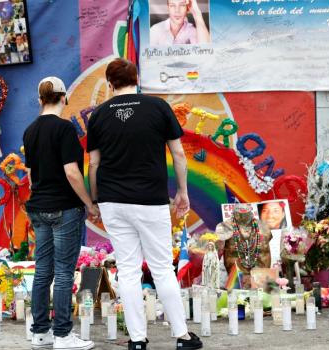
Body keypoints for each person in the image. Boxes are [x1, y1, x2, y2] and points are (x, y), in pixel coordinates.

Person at [87, 58, 202, 350]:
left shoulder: (98, 116)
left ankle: (137, 341)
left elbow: (94, 164)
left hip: (113, 201)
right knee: (162, 268)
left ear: (110, 84)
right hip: (150, 200)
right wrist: (183, 193)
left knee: (127, 271)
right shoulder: (158, 107)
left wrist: (96, 200)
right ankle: (182, 337)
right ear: (136, 79)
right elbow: (178, 155)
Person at [23, 76, 99, 350]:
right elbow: (71, 172)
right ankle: (64, 335)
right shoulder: (65, 129)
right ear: (64, 98)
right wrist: (89, 203)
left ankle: (40, 332)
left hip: (38, 207)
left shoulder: (30, 131)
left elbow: (31, 177)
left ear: (40, 99)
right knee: (65, 272)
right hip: (64, 208)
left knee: (43, 271)